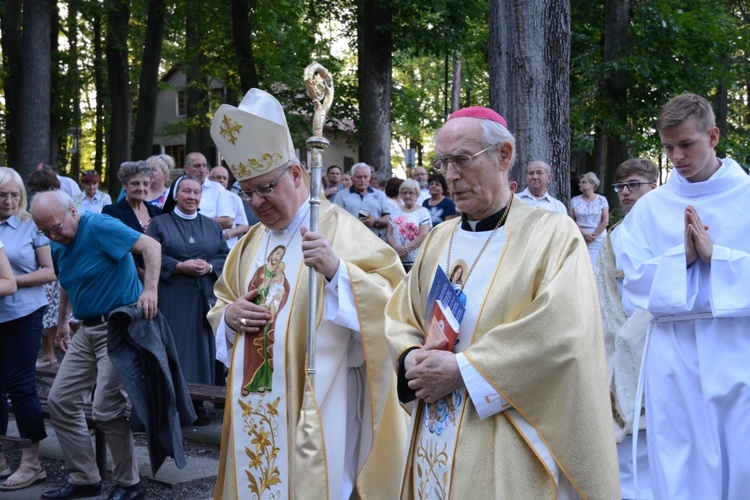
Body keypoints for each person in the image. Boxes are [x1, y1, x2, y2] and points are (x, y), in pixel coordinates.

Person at [385, 106, 619, 498]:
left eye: (462, 160)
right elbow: (401, 315)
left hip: (505, 435)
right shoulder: (438, 239)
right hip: (433, 433)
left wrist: (465, 369)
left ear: (504, 156)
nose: (451, 176)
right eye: (443, 163)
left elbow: (563, 330)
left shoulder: (551, 234)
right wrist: (409, 356)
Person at [208, 88, 406, 499]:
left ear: (297, 174)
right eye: (248, 192)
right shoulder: (247, 246)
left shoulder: (340, 231)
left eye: (265, 188)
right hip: (255, 401)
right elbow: (222, 302)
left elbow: (393, 304)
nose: (257, 202)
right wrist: (228, 318)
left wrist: (337, 273)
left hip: (323, 400)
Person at [618, 93, 750, 499]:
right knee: (679, 458)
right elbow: (631, 282)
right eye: (668, 147)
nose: (676, 156)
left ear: (713, 136)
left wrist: (719, 258)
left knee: (739, 453)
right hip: (673, 355)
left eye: (687, 144)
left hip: (736, 346)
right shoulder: (651, 208)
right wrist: (682, 260)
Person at [31, 190, 161, 500]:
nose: (52, 234)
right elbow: (66, 281)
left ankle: (130, 484)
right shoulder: (59, 241)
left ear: (73, 211)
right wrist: (63, 321)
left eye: (55, 227)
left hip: (118, 329)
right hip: (85, 331)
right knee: (60, 400)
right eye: (44, 231)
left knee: (105, 408)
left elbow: (151, 246)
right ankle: (85, 478)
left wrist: (150, 290)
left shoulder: (100, 226)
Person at [595, 158, 658, 499]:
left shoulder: (670, 225)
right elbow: (604, 291)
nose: (626, 193)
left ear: (654, 185)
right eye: (621, 187)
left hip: (658, 336)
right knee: (625, 434)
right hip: (619, 340)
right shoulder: (615, 235)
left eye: (635, 185)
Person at [146, 175, 228, 425]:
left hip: (204, 296)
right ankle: (176, 405)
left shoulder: (212, 226)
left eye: (196, 193)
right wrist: (180, 266)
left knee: (204, 352)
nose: (192, 197)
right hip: (174, 295)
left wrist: (211, 266)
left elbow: (226, 255)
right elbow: (148, 256)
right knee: (178, 350)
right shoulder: (159, 224)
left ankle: (199, 404)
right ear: (175, 195)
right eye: (186, 192)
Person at [0, 168, 56, 491]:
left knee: (21, 386)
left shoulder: (30, 224)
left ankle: (32, 461)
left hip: (25, 313)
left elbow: (49, 272)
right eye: (2, 195)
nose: (9, 201)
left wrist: (9, 284)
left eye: (15, 195)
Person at [27, 170, 73, 368]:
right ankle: (50, 354)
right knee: (51, 314)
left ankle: (57, 354)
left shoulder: (56, 207)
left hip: (54, 265)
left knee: (55, 313)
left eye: (34, 189)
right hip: (50, 265)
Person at [103, 161, 162, 274]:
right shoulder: (112, 212)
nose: (141, 188)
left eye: (145, 184)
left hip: (160, 275)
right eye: (135, 183)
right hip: (128, 276)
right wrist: (140, 274)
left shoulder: (157, 212)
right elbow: (115, 248)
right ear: (124, 185)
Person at [333, 163, 391, 239]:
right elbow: (334, 219)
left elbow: (387, 219)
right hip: (350, 239)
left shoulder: (380, 195)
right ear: (352, 178)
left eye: (365, 177)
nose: (362, 180)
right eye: (359, 177)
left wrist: (375, 221)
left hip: (375, 240)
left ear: (370, 178)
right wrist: (355, 223)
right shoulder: (341, 195)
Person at [386, 179, 432, 272]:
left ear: (417, 195)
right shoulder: (395, 212)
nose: (407, 196)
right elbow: (389, 233)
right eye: (404, 193)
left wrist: (406, 249)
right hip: (398, 258)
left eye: (411, 193)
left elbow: (424, 234)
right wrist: (396, 247)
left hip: (415, 259)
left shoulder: (423, 212)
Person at [183, 152, 234, 229]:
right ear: (186, 169)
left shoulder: (218, 189)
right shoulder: (177, 188)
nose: (202, 170)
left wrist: (195, 223)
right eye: (197, 166)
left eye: (204, 166)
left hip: (210, 238)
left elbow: (228, 222)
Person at [570, 171, 609, 265]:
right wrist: (584, 234)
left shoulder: (601, 199)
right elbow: (572, 220)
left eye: (584, 182)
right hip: (580, 236)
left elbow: (605, 221)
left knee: (596, 267)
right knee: (581, 265)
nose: (580, 184)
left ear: (592, 184)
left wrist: (593, 236)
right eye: (580, 182)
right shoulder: (575, 200)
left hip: (598, 238)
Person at [209, 165, 250, 248]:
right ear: (210, 179)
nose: (221, 180)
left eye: (224, 178)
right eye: (218, 177)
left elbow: (244, 226)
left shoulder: (235, 198)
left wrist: (230, 233)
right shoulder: (202, 195)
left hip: (229, 246)